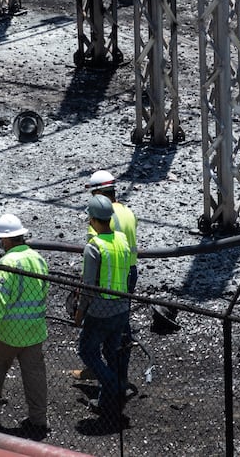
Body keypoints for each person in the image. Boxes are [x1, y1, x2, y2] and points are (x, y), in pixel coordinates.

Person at [0, 212, 49, 439]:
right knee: (35, 376)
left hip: (6, 332)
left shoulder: (6, 264)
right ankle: (38, 419)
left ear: (5, 240)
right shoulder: (38, 259)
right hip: (34, 330)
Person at [72, 193, 133, 426]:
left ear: (93, 219)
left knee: (87, 351)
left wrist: (79, 314)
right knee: (111, 352)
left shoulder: (93, 247)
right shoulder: (121, 240)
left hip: (100, 311)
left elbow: (88, 287)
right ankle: (107, 401)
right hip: (121, 308)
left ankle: (111, 384)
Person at [87, 170, 138, 394]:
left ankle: (107, 379)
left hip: (109, 276)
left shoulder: (101, 218)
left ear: (98, 193)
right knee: (121, 324)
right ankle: (119, 375)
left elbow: (95, 255)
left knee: (100, 327)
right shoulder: (128, 212)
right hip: (130, 273)